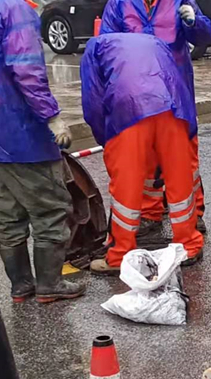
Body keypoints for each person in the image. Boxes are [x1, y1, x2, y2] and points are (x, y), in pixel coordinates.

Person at [0, 0, 85, 303]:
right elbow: (27, 70)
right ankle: (49, 285)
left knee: (6, 214)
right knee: (50, 209)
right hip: (21, 133)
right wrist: (52, 117)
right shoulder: (16, 10)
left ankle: (21, 286)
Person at [99, 0, 211, 242]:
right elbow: (106, 47)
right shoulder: (119, 3)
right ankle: (149, 215)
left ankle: (194, 214)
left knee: (184, 159)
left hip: (175, 94)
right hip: (136, 96)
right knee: (146, 159)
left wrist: (193, 22)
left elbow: (205, 37)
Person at [81, 31, 204, 272]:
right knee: (179, 177)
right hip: (174, 107)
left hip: (129, 110)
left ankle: (120, 255)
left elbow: (93, 99)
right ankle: (188, 245)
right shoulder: (154, 41)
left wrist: (106, 138)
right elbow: (178, 78)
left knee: (126, 185)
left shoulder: (94, 47)